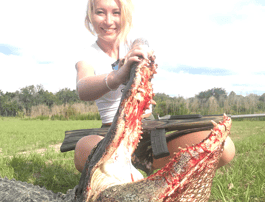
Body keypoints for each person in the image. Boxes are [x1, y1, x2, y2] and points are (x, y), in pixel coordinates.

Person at [74, 0, 235, 173]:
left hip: (150, 131)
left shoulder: (132, 44)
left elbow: (142, 42)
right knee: (84, 149)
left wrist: (138, 51)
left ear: (125, 15)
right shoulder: (87, 54)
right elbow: (83, 88)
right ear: (90, 16)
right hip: (111, 135)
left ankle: (145, 173)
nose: (108, 21)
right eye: (100, 12)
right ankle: (126, 174)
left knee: (224, 148)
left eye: (116, 12)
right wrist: (117, 75)